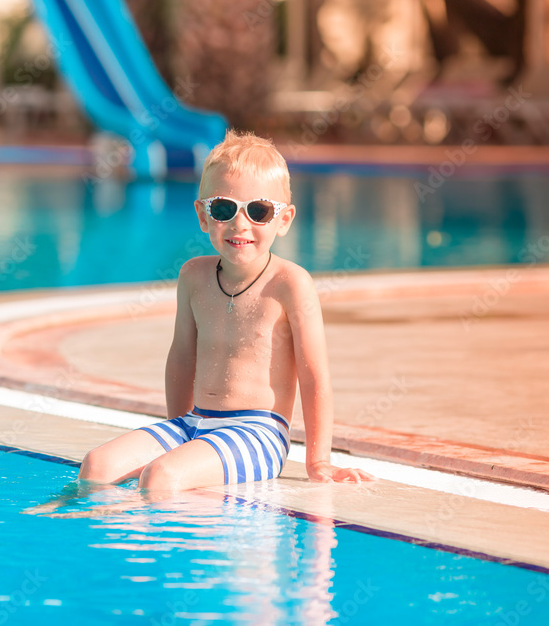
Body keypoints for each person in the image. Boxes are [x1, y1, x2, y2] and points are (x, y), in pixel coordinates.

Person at [78, 131, 376, 495]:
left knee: (161, 477)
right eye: (223, 208)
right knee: (96, 467)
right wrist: (178, 430)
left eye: (259, 210)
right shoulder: (193, 275)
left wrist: (319, 461)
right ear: (203, 215)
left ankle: (170, 544)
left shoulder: (290, 284)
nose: (240, 224)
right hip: (194, 422)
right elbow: (181, 358)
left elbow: (315, 378)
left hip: (258, 432)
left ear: (283, 220)